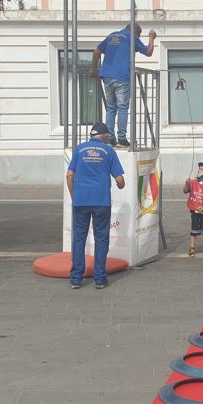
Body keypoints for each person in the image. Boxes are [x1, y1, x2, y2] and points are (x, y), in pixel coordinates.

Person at [66, 122, 125, 289]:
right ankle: (100, 278)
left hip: (81, 201)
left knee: (79, 239)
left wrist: (74, 196)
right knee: (101, 238)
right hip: (101, 201)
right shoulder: (109, 151)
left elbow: (69, 175)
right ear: (104, 136)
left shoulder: (79, 149)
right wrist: (121, 185)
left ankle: (76, 278)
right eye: (108, 136)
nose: (109, 139)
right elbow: (120, 180)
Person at [91, 23, 156, 146]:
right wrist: (151, 37)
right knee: (122, 107)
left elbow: (96, 52)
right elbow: (148, 52)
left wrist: (94, 70)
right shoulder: (132, 37)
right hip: (122, 77)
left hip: (107, 76)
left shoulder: (112, 36)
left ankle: (110, 137)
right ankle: (121, 138)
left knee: (111, 108)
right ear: (136, 33)